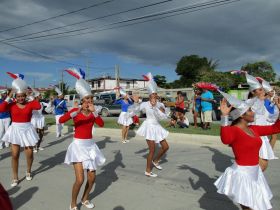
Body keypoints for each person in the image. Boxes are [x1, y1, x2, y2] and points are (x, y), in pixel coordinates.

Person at [215, 90, 280, 210]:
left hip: (255, 172)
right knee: (249, 207)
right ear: (241, 115)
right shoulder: (234, 130)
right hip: (242, 175)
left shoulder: (253, 128)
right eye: (250, 110)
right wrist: (224, 116)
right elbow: (225, 139)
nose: (253, 112)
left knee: (256, 205)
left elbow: (276, 128)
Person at [61, 68, 106, 210]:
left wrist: (95, 113)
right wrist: (76, 111)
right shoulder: (76, 112)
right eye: (87, 99)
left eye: (91, 99)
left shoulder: (94, 113)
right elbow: (61, 120)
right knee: (80, 179)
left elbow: (101, 124)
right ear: (82, 100)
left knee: (92, 178)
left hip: (90, 146)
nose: (90, 101)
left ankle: (85, 198)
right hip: (78, 147)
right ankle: (73, 203)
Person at [0, 73, 41, 187]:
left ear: (25, 95)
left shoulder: (29, 104)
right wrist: (10, 95)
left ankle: (28, 171)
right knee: (15, 155)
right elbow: (1, 108)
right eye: (18, 96)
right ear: (15, 97)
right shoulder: (11, 104)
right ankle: (15, 177)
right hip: (15, 130)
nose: (20, 98)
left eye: (22, 96)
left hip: (27, 129)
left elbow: (38, 106)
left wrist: (31, 96)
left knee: (29, 154)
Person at [136, 72, 169, 178]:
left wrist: (158, 107)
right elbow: (136, 111)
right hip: (149, 126)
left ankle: (156, 160)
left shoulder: (160, 104)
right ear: (149, 95)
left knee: (165, 147)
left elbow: (163, 117)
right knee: (152, 149)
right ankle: (147, 170)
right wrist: (136, 103)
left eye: (155, 94)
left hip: (157, 126)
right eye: (152, 94)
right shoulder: (145, 104)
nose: (154, 96)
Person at [245, 73, 278, 171]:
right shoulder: (248, 103)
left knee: (263, 166)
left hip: (262, 136)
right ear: (253, 92)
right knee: (255, 167)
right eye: (260, 90)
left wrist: (276, 106)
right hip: (251, 135)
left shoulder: (265, 102)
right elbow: (250, 112)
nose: (263, 91)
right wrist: (259, 100)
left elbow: (271, 118)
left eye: (262, 89)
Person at [260, 78, 279, 149]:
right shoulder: (264, 99)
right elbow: (267, 108)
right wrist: (274, 103)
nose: (273, 92)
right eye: (271, 91)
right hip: (266, 121)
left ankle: (270, 152)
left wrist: (275, 103)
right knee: (264, 137)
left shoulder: (273, 99)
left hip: (273, 120)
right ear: (267, 92)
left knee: (274, 137)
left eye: (273, 91)